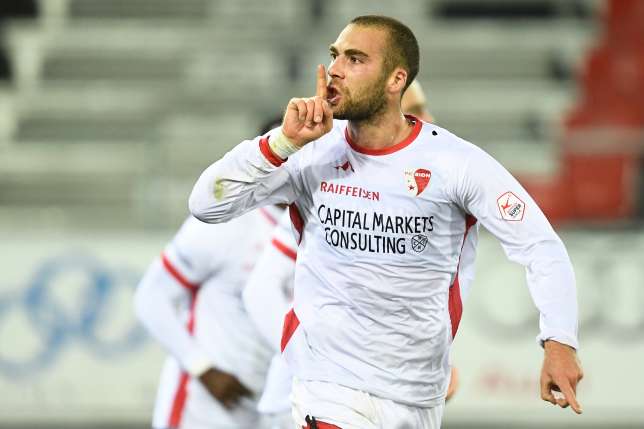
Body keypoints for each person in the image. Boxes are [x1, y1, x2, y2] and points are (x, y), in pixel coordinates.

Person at [189, 15, 583, 429]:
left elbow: (540, 245)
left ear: (396, 80)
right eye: (335, 56)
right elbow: (206, 204)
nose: (336, 69)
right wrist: (280, 143)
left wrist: (560, 339)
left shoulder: (455, 163)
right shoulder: (310, 153)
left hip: (417, 392)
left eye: (355, 59)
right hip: (328, 386)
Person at [242, 80, 458, 429]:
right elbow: (259, 291)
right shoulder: (334, 189)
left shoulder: (416, 194)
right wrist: (319, 357)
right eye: (415, 111)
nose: (428, 118)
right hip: (308, 402)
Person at [134, 119, 284, 429]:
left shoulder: (321, 226)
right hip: (202, 407)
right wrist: (203, 368)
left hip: (268, 408)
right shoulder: (231, 222)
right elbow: (151, 297)